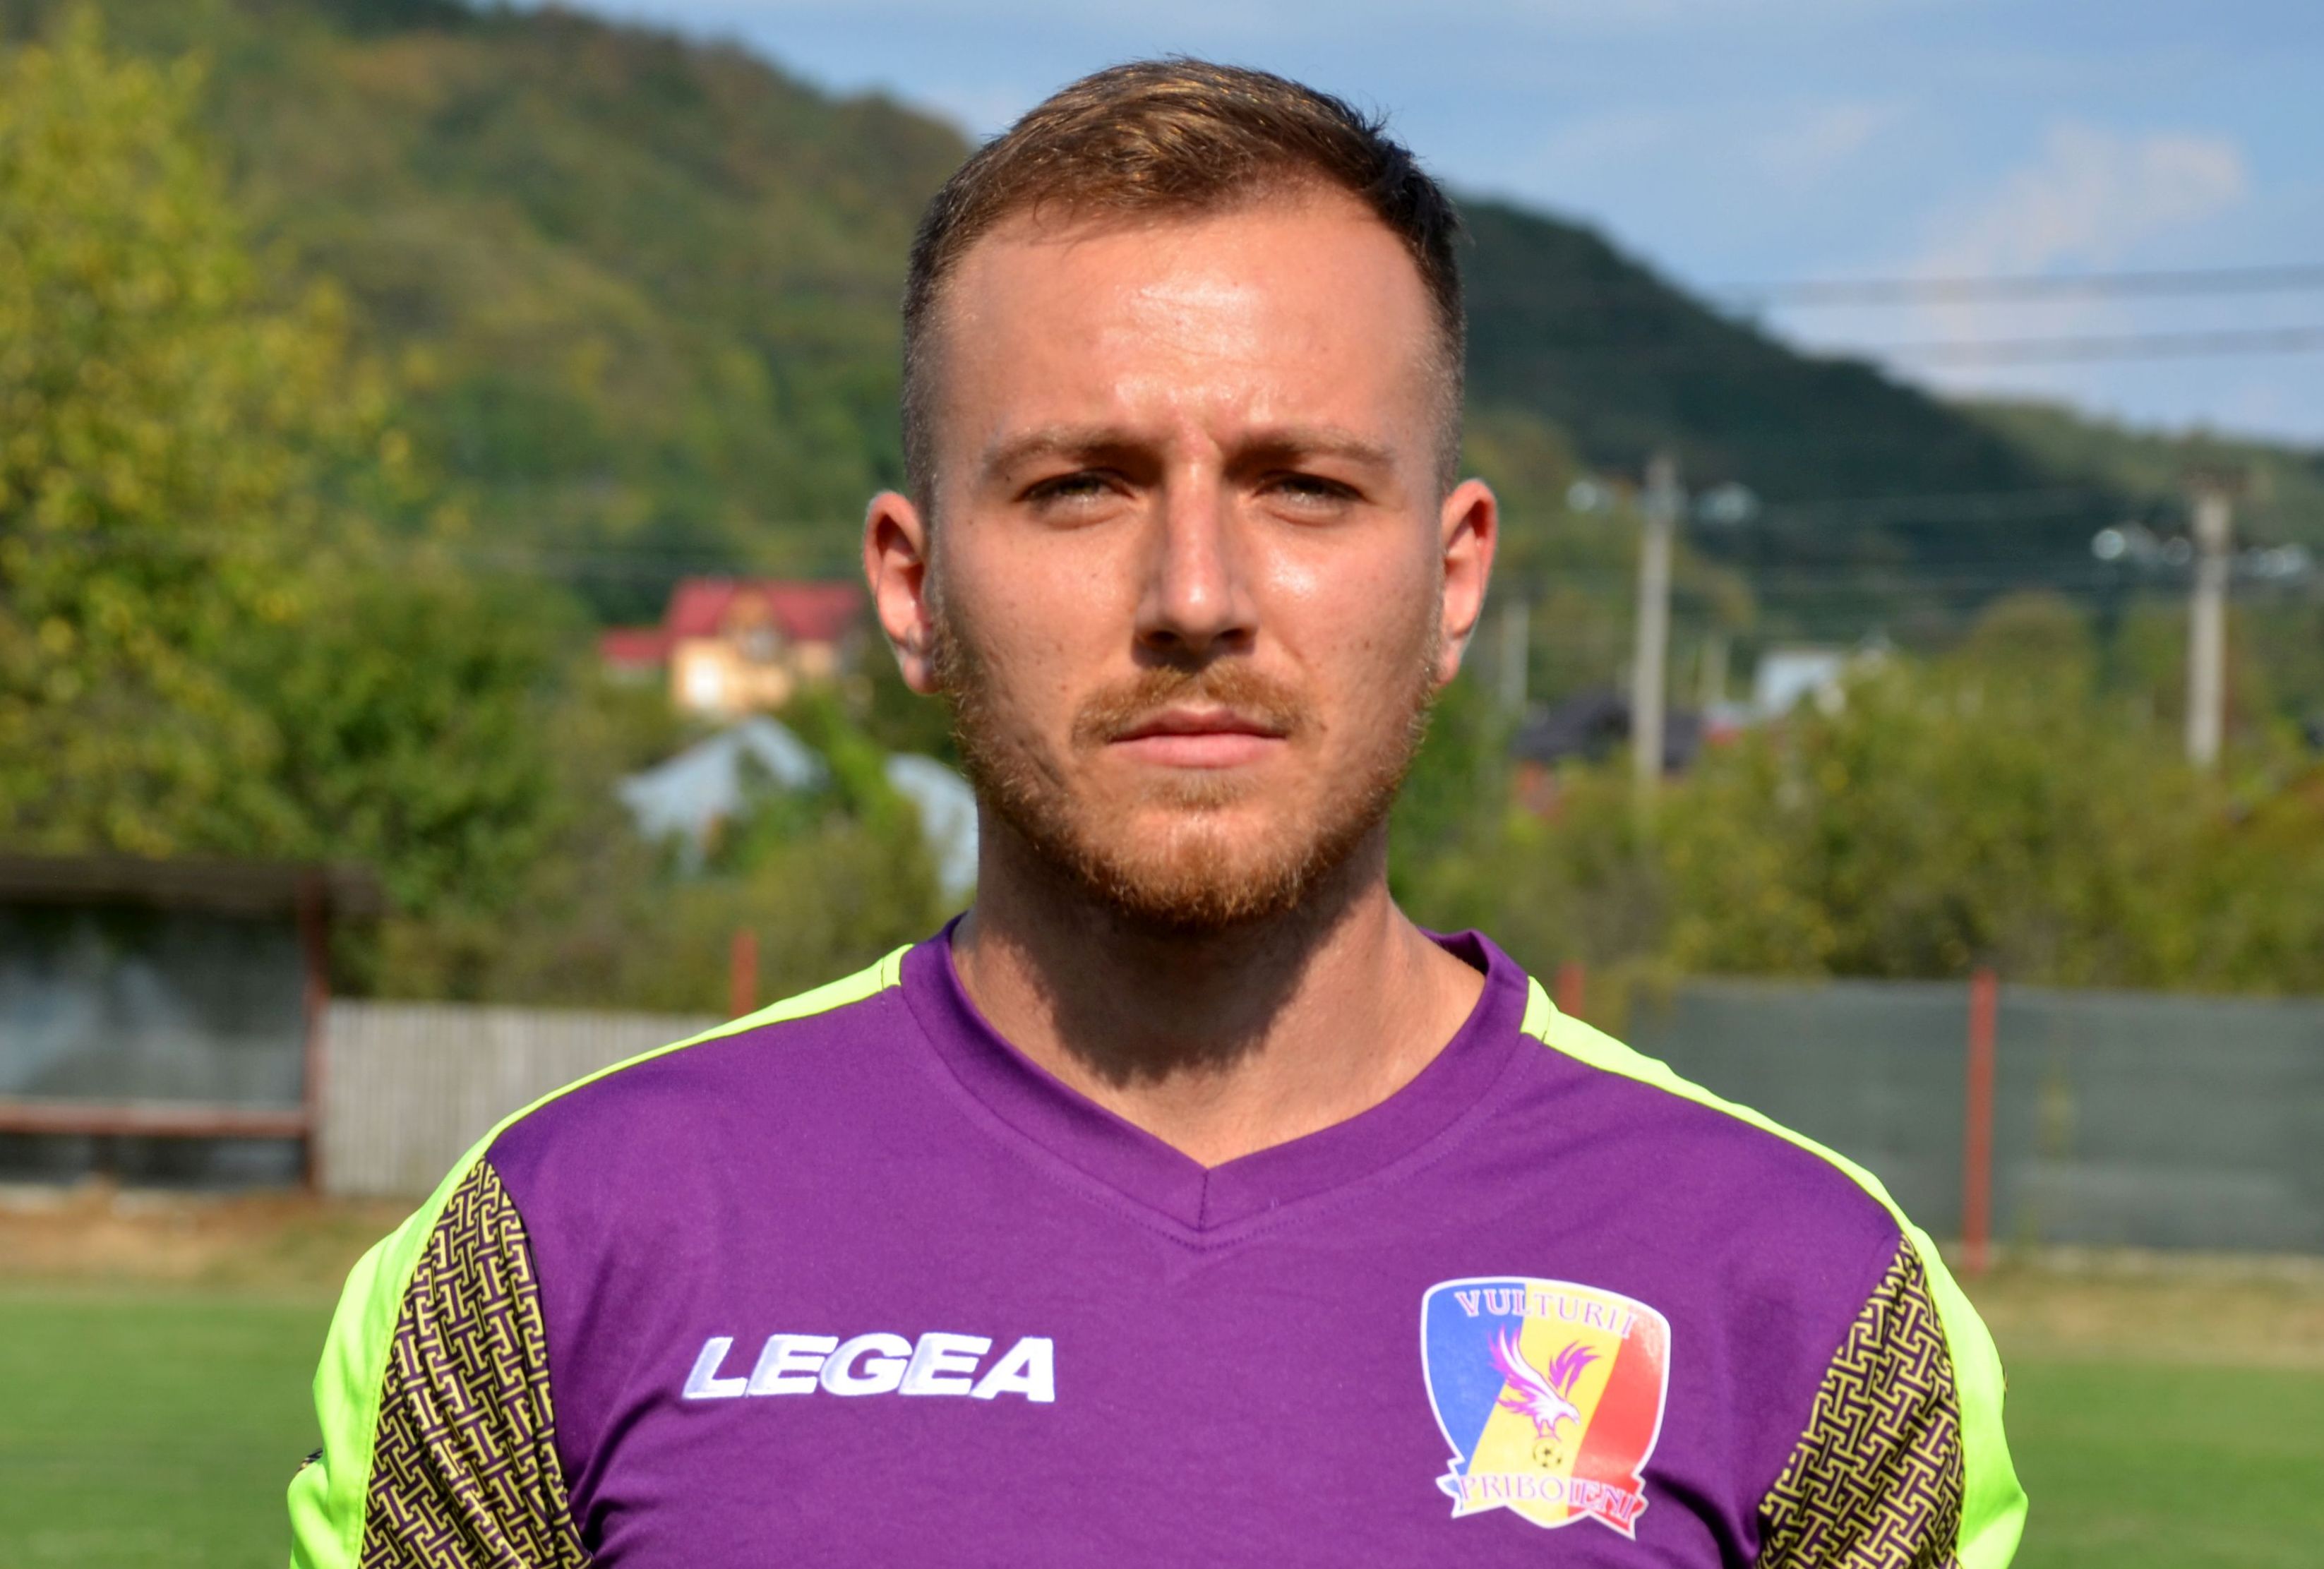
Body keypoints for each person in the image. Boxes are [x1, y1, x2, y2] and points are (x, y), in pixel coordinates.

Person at [289, 59, 2024, 1568]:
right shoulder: (557, 1246)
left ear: (1450, 577)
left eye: (1303, 486)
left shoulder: (1804, 1295)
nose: (1195, 594)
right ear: (909, 589)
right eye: (1077, 487)